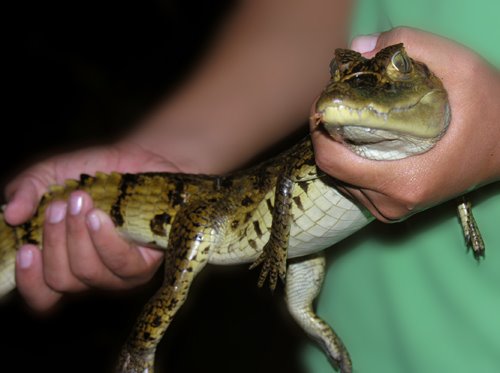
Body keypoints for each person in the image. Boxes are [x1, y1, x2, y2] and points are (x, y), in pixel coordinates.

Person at [4, 0, 499, 372]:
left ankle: (303, 312)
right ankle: (140, 352)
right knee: (177, 289)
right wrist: (175, 155)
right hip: (365, 328)